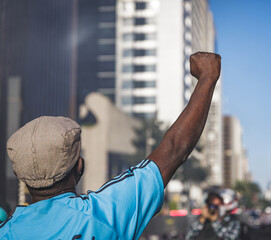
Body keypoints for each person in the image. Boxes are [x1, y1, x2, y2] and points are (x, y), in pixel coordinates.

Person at [0, 52, 221, 239]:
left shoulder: (6, 231)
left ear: (21, 175)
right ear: (79, 166)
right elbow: (174, 149)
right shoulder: (103, 214)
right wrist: (207, 77)